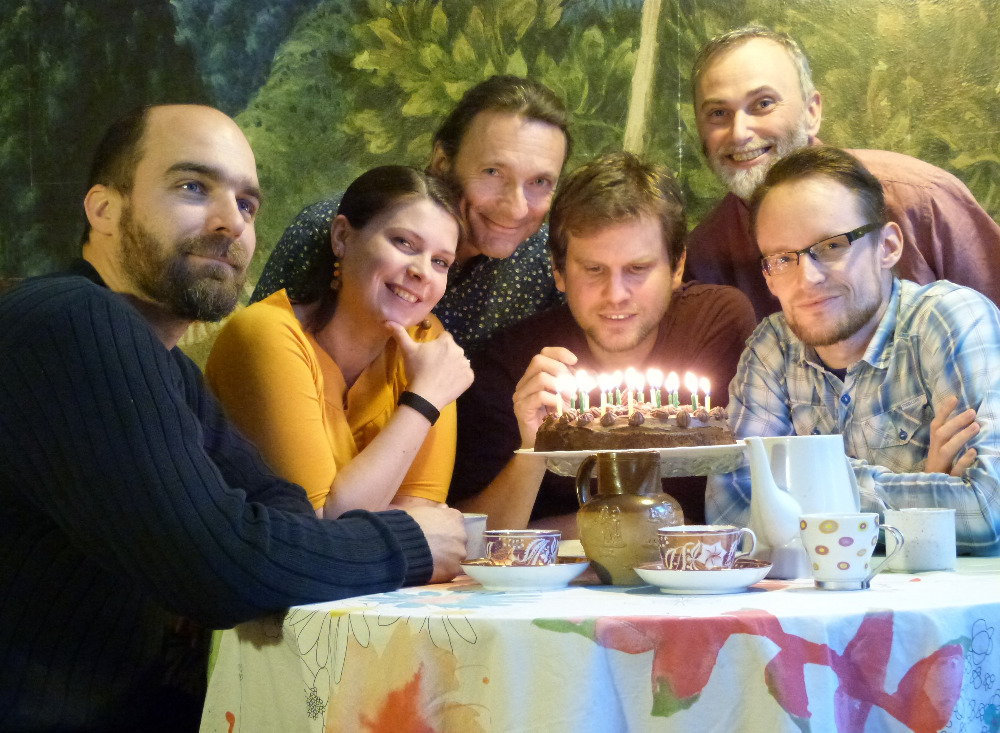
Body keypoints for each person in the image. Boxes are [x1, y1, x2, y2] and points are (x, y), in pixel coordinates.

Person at [0, 104, 466, 732]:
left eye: (247, 204)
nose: (231, 222)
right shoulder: (72, 320)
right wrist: (407, 542)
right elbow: (222, 566)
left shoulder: (165, 364)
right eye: (194, 187)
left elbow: (285, 515)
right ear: (104, 209)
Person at [706, 145, 1000, 555]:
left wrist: (789, 495)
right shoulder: (771, 348)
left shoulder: (949, 319)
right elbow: (730, 513)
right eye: (783, 258)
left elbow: (988, 510)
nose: (808, 278)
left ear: (888, 246)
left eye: (831, 246)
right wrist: (926, 495)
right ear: (769, 277)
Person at [449, 152, 757, 533]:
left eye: (637, 269)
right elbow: (471, 536)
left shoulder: (715, 325)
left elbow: (749, 505)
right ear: (559, 271)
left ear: (677, 267)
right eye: (593, 270)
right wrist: (533, 449)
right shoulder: (515, 364)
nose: (616, 295)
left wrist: (582, 527)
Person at [205, 166, 473, 517]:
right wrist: (424, 400)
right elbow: (324, 526)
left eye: (440, 262)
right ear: (342, 237)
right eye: (404, 243)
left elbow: (424, 513)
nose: (422, 271)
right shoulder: (265, 334)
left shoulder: (428, 341)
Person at [684, 25, 1000, 321]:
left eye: (763, 103)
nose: (739, 133)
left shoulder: (920, 200)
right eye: (718, 113)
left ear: (812, 112)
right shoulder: (704, 256)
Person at [252, 74, 571, 352]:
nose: (516, 208)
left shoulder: (549, 262)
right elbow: (250, 361)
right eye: (493, 172)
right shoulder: (334, 231)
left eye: (539, 182)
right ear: (442, 162)